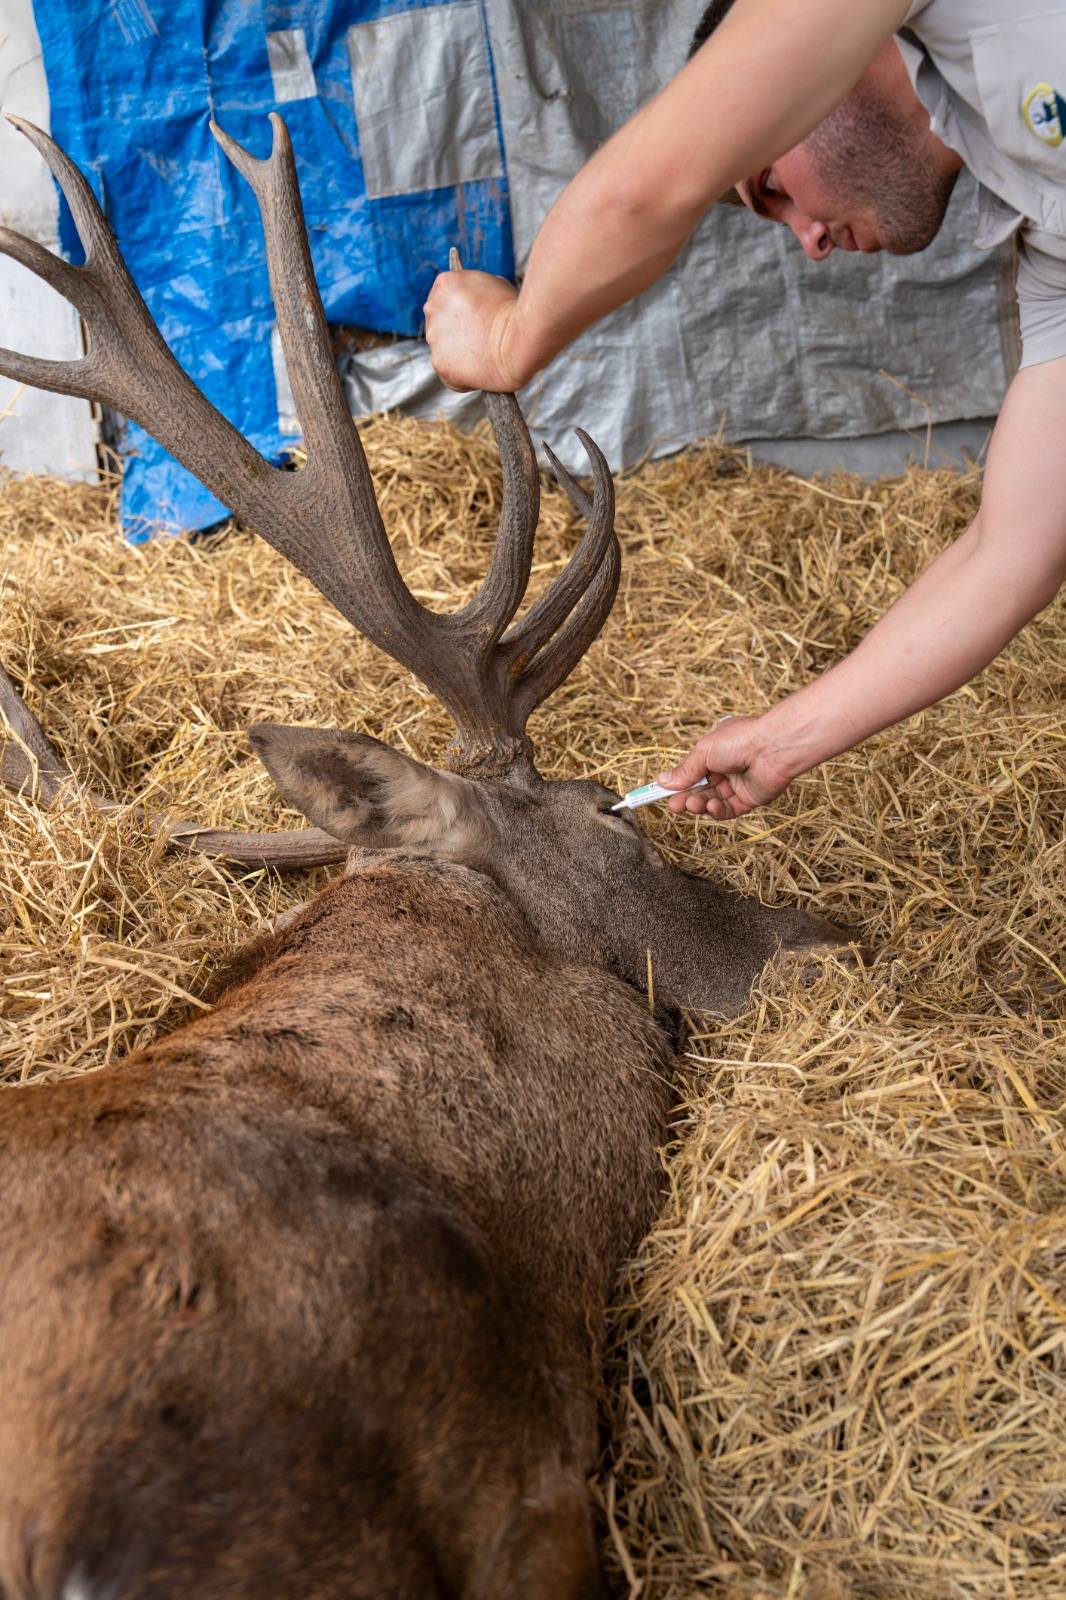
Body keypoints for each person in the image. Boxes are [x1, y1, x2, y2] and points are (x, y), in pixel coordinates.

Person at [423, 0, 1066, 820]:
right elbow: (1012, 552)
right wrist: (782, 740)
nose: (811, 241)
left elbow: (648, 189)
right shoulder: (1051, 237)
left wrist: (510, 338)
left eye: (772, 187)